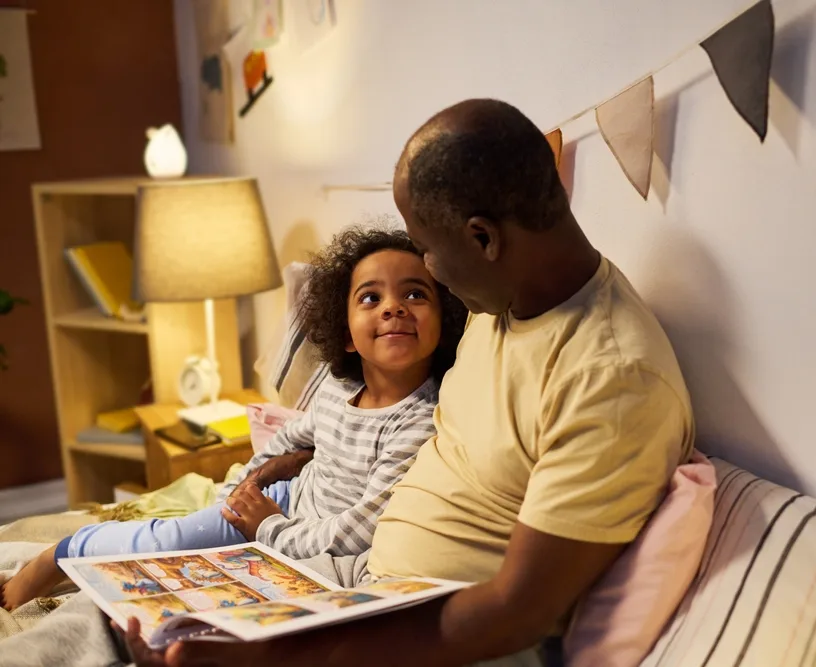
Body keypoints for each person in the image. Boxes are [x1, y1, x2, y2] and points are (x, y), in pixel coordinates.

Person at [123, 98, 695, 667]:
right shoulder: (503, 303)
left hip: (431, 639)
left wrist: (278, 657)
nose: (432, 271)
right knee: (135, 616)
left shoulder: (610, 379)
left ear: (484, 239)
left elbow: (516, 614)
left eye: (428, 250)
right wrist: (301, 454)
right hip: (358, 589)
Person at [0, 227, 467, 611]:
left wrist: (267, 528)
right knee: (167, 540)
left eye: (414, 293)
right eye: (370, 298)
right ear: (346, 336)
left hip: (291, 532)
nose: (393, 306)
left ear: (442, 321)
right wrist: (243, 487)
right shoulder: (337, 388)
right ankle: (56, 557)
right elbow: (287, 438)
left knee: (175, 581)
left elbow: (361, 529)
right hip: (279, 504)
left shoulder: (420, 422)